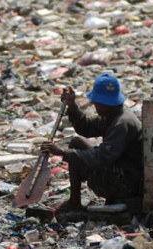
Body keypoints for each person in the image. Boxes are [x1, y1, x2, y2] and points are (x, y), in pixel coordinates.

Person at [41, 73, 143, 211]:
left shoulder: (121, 123)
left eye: (97, 103)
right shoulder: (112, 115)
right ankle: (75, 201)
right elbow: (86, 127)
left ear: (105, 104)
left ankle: (75, 203)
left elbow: (101, 157)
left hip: (127, 182)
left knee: (77, 153)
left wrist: (62, 153)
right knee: (76, 142)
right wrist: (72, 106)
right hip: (119, 169)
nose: (95, 106)